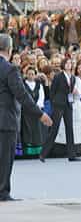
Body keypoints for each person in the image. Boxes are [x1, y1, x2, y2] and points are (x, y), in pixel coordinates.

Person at [0, 34, 52, 201]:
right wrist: (40, 114)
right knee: (5, 159)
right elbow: (22, 95)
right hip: (6, 121)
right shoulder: (10, 69)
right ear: (9, 49)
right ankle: (2, 192)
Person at [40, 58, 81, 162]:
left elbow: (70, 92)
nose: (68, 65)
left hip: (68, 104)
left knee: (69, 129)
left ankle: (71, 155)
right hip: (58, 105)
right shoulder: (58, 76)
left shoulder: (73, 78)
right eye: (66, 63)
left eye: (70, 63)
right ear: (63, 65)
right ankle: (43, 154)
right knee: (54, 129)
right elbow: (52, 90)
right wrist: (54, 103)